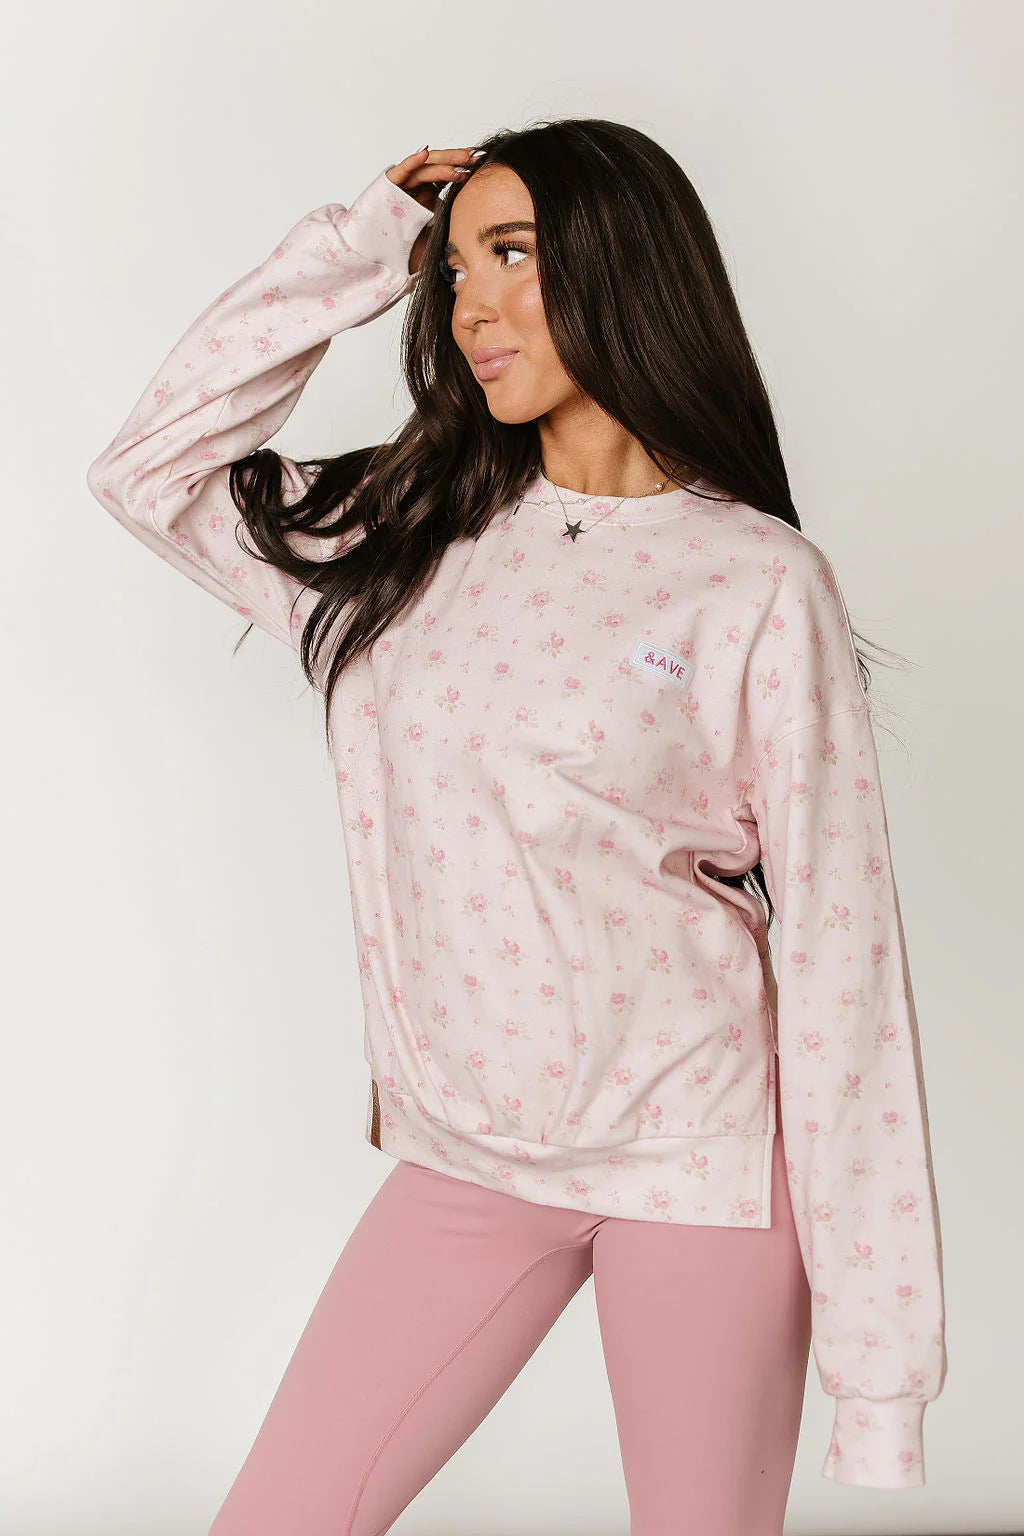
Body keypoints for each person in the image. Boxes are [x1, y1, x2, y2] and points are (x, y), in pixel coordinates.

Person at [86, 118, 948, 1535]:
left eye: (513, 255)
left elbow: (845, 968)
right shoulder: (397, 537)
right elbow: (148, 468)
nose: (470, 307)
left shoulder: (754, 580)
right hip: (470, 1167)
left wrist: (882, 1377)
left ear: (625, 268)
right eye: (454, 272)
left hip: (705, 1168)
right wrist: (364, 244)